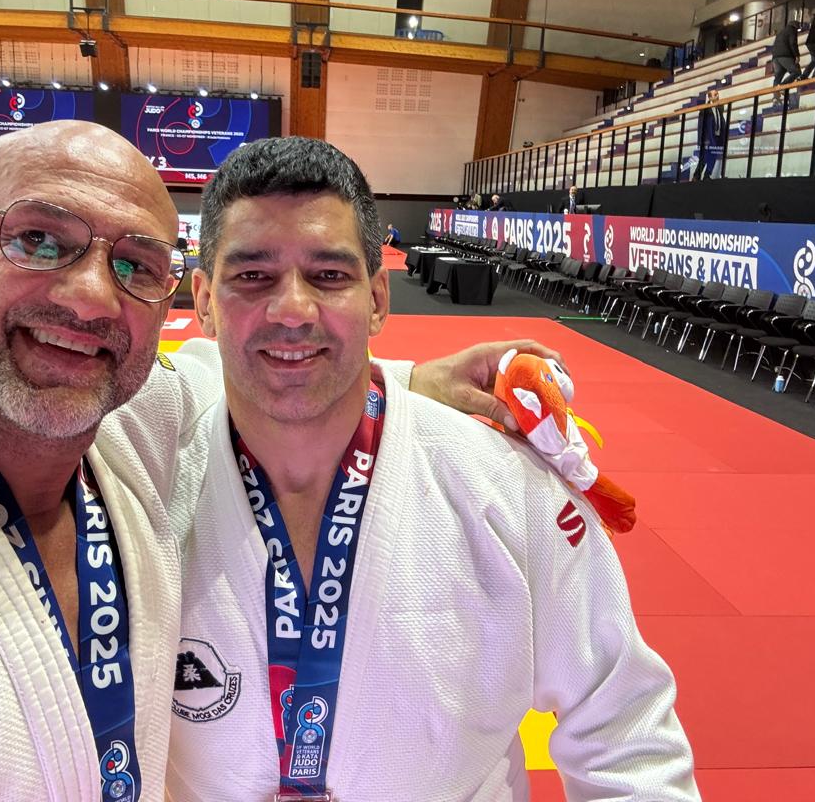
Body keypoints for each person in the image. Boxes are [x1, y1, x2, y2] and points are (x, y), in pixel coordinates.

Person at [0, 121, 560, 800]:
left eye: (135, 266)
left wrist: (410, 381)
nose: (92, 296)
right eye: (38, 239)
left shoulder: (132, 425)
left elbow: (254, 370)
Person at [173, 137, 698, 801]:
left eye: (329, 275)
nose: (293, 310)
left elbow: (626, 734)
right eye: (253, 276)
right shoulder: (148, 471)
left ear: (378, 300)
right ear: (203, 300)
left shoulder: (507, 487)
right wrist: (411, 377)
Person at [695, 88, 727, 179]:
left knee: (713, 156)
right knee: (705, 158)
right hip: (707, 138)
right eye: (715, 95)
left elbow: (721, 122)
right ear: (709, 97)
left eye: (717, 94)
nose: (717, 96)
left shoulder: (719, 109)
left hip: (717, 137)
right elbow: (701, 126)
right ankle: (696, 176)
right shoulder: (704, 109)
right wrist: (701, 140)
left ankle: (707, 175)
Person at [771, 20, 803, 100]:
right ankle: (783, 86)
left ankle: (775, 97)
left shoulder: (781, 32)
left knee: (778, 76)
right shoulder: (792, 30)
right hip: (785, 56)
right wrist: (797, 55)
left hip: (775, 57)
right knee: (797, 71)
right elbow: (793, 43)